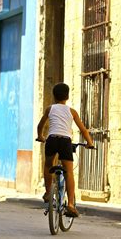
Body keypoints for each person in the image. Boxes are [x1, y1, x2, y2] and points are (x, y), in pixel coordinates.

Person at [36, 83, 94, 217]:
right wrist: (90, 143)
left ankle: (48, 192)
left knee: (48, 165)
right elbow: (83, 129)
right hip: (65, 142)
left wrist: (40, 136)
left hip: (52, 139)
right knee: (68, 172)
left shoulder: (50, 109)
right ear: (67, 96)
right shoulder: (72, 111)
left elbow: (40, 125)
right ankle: (71, 205)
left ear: (54, 96)